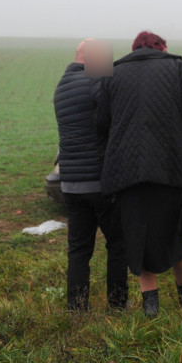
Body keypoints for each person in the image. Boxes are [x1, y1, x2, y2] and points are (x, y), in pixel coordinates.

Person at [97, 31, 182, 317]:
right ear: (162, 48)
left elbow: (101, 121)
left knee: (137, 234)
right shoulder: (178, 67)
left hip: (127, 170)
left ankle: (150, 303)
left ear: (134, 49)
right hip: (172, 166)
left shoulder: (112, 72)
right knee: (176, 230)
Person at [53, 39, 128, 311]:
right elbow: (109, 121)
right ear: (94, 60)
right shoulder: (95, 84)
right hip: (100, 181)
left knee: (79, 249)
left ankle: (77, 306)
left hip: (71, 183)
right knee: (118, 244)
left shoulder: (62, 86)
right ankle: (118, 304)